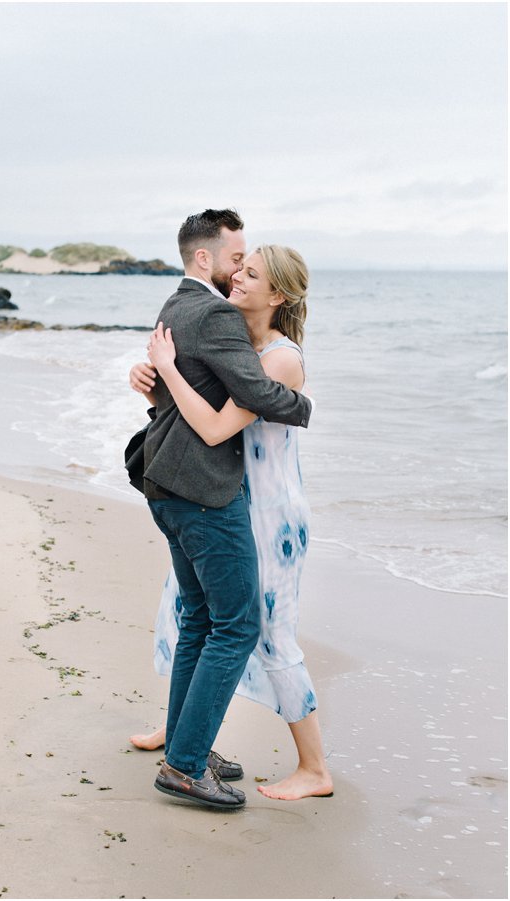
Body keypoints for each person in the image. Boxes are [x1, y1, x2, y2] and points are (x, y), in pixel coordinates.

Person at [130, 245, 333, 802]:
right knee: (193, 614)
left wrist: (170, 370)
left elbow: (216, 429)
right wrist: (153, 381)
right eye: (238, 268)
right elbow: (186, 418)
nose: (237, 277)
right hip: (227, 502)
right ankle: (184, 740)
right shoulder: (234, 345)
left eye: (252, 274)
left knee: (268, 634)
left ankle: (314, 767)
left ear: (279, 295)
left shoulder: (279, 358)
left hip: (271, 513)